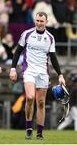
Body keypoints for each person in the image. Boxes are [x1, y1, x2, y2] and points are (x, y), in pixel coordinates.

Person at [9, 11, 65, 140]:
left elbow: (53, 58)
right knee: (29, 97)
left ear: (46, 22)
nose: (39, 23)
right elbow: (17, 52)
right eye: (37, 21)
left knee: (41, 102)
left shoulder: (50, 38)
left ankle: (39, 133)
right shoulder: (27, 34)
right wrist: (12, 69)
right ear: (35, 21)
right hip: (29, 70)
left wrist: (60, 75)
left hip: (43, 73)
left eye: (41, 21)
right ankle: (29, 128)